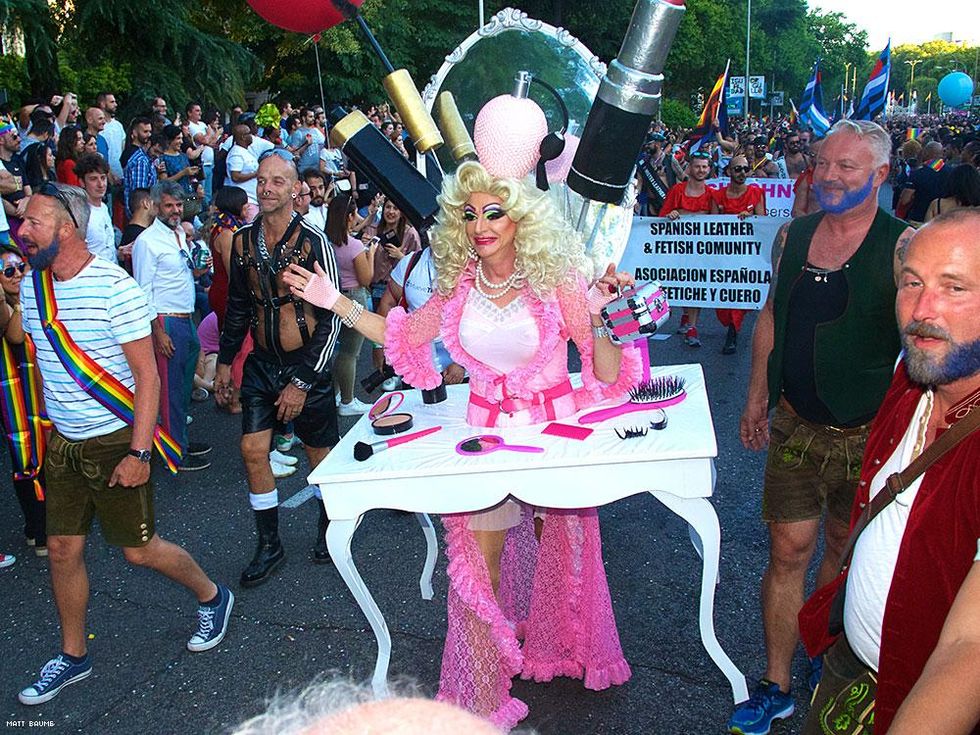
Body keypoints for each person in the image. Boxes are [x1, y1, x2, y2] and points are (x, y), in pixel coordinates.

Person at [284, 159, 640, 728]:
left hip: (553, 437)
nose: (481, 225)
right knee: (480, 565)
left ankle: (563, 646)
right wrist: (335, 301)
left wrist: (606, 317)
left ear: (523, 219)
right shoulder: (460, 285)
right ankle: (481, 699)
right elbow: (400, 333)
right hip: (484, 442)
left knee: (563, 540)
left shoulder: (556, 282)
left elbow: (603, 368)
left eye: (494, 212)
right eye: (470, 213)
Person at [13, 184, 233, 706]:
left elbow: (147, 377)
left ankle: (212, 595)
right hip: (64, 444)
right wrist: (48, 432)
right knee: (63, 549)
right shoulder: (32, 288)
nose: (21, 230)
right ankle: (73, 656)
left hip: (115, 440)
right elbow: (39, 360)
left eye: (33, 222)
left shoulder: (115, 287)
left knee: (138, 550)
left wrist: (139, 454)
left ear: (67, 228)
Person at [729, 119, 914, 735]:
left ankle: (820, 651)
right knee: (787, 550)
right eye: (823, 162)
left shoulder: (902, 248)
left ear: (881, 175)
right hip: (794, 427)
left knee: (843, 547)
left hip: (868, 437)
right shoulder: (792, 235)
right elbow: (772, 316)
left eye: (848, 167)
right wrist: (757, 394)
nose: (829, 175)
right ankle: (775, 683)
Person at [800, 209, 980, 735]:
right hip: (848, 670)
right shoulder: (915, 373)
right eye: (912, 282)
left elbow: (969, 648)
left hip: (921, 699)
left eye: (955, 288)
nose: (923, 310)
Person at [213, 154, 343, 586]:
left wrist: (304, 382)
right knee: (252, 450)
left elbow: (334, 316)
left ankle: (330, 528)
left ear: (294, 191)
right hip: (262, 363)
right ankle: (269, 544)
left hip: (307, 363)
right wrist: (226, 363)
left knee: (318, 456)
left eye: (277, 181)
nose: (266, 187)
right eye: (262, 180)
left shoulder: (313, 241)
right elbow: (237, 306)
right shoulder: (243, 241)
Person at [132, 181, 213, 471]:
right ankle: (172, 454)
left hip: (185, 317)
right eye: (169, 206)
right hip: (166, 321)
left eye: (178, 205)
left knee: (181, 389)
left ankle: (179, 441)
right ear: (155, 207)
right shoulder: (147, 242)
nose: (175, 211)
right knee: (169, 392)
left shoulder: (179, 234)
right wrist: (158, 332)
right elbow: (143, 291)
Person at [0, 245, 50, 557]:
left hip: (39, 393)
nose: (18, 274)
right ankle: (39, 529)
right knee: (26, 461)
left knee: (40, 457)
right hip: (15, 398)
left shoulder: (31, 295)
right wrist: (18, 302)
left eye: (21, 267)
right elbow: (16, 336)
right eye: (9, 271)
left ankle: (37, 529)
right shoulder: (8, 306)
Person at [324, 193, 377, 415]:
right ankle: (347, 401)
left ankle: (335, 394)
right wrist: (371, 254)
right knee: (350, 353)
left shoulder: (325, 241)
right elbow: (366, 279)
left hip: (333, 297)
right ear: (349, 216)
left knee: (337, 351)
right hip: (354, 298)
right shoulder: (354, 246)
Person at [710, 154, 766, 355]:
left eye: (745, 169)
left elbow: (763, 221)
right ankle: (731, 327)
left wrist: (751, 218)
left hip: (746, 254)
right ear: (729, 172)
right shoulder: (718, 196)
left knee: (737, 292)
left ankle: (733, 333)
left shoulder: (756, 192)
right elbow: (711, 226)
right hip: (725, 253)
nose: (742, 173)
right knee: (724, 295)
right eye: (738, 169)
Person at [660, 150, 713, 347]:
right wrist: (673, 214)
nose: (701, 170)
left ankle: (693, 326)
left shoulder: (712, 194)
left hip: (700, 250)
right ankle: (685, 315)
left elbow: (718, 221)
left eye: (704, 167)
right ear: (689, 168)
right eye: (697, 166)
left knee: (696, 286)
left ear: (709, 170)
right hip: (679, 249)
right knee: (684, 284)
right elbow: (661, 218)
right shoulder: (677, 191)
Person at [74, 153, 115, 264]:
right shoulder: (79, 214)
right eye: (93, 179)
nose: (101, 184)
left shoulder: (104, 208)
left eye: (103, 178)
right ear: (82, 182)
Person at [226, 124, 260, 220]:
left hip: (253, 200)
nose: (252, 136)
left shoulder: (245, 151)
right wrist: (255, 174)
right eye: (249, 133)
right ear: (243, 137)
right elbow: (235, 176)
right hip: (246, 201)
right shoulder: (236, 153)